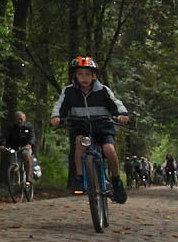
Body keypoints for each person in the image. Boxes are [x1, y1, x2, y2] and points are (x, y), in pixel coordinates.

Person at [49, 56, 129, 204]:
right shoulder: (69, 91)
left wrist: (122, 115)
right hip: (81, 127)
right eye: (80, 74)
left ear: (94, 76)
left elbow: (116, 104)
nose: (84, 78)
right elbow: (59, 106)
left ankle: (116, 180)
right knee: (80, 143)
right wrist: (56, 118)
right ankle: (80, 178)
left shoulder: (103, 90)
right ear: (75, 76)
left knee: (109, 150)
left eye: (87, 74)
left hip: (103, 127)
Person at [0, 110, 36, 187]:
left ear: (24, 119)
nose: (19, 121)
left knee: (26, 154)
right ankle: (16, 180)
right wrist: (3, 145)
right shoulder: (11, 128)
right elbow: (4, 137)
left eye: (21, 119)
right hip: (14, 148)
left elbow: (32, 137)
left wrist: (30, 144)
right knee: (13, 162)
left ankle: (28, 176)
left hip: (25, 147)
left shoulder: (29, 127)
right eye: (18, 119)